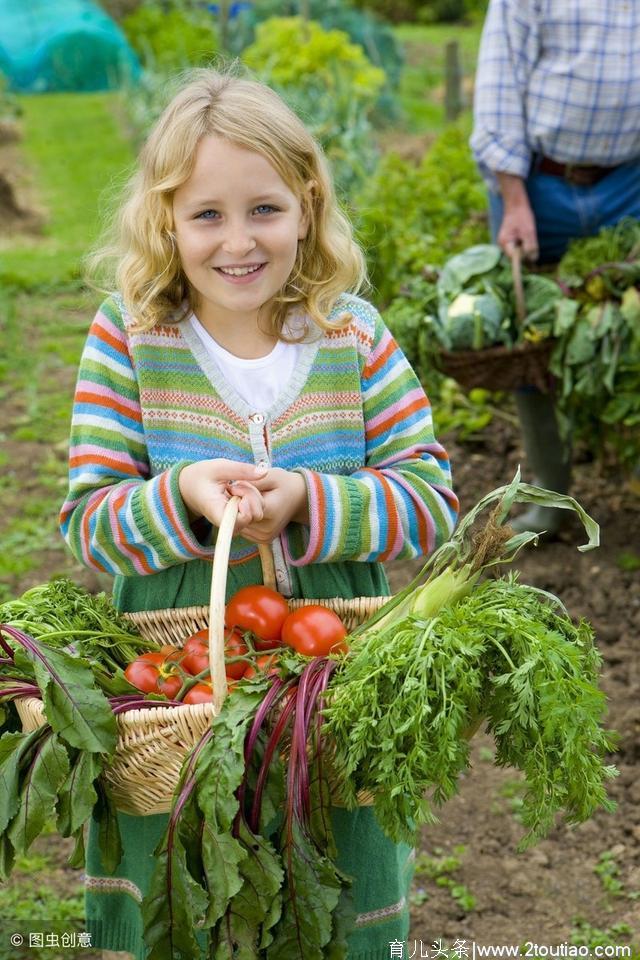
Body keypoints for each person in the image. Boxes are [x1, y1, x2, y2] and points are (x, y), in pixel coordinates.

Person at [58, 68, 459, 960]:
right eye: (206, 215)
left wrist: (316, 501)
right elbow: (90, 519)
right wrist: (187, 500)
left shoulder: (352, 338)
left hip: (331, 672)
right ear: (165, 221)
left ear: (308, 204)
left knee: (335, 866)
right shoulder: (131, 339)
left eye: (264, 210)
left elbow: (430, 502)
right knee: (185, 878)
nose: (237, 241)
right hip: (182, 681)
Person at [471, 0, 640, 533]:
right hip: (539, 182)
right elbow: (499, 92)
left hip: (628, 180)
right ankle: (550, 499)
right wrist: (514, 201)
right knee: (531, 336)